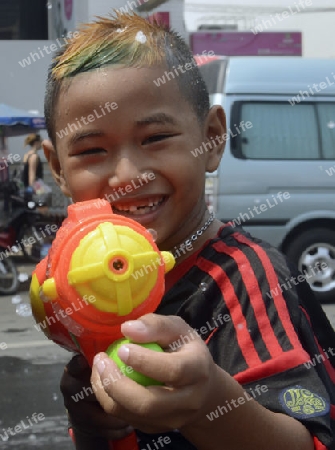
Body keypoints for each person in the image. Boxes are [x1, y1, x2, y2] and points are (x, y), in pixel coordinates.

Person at [41, 12, 335, 450]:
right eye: (92, 150)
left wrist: (210, 406)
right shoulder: (89, 291)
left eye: (155, 138)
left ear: (213, 137)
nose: (128, 175)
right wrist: (93, 426)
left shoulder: (246, 277)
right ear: (58, 168)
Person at [22, 133, 44, 201]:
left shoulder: (27, 155)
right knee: (40, 206)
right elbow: (32, 174)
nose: (42, 143)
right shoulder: (34, 156)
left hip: (26, 186)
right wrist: (32, 190)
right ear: (36, 142)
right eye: (41, 141)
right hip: (36, 186)